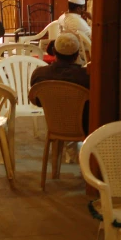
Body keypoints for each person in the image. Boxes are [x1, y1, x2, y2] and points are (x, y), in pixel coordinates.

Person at [30, 33, 90, 163]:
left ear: (54, 52)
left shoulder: (40, 74)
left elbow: (38, 102)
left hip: (55, 125)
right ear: (76, 55)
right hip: (84, 127)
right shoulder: (87, 77)